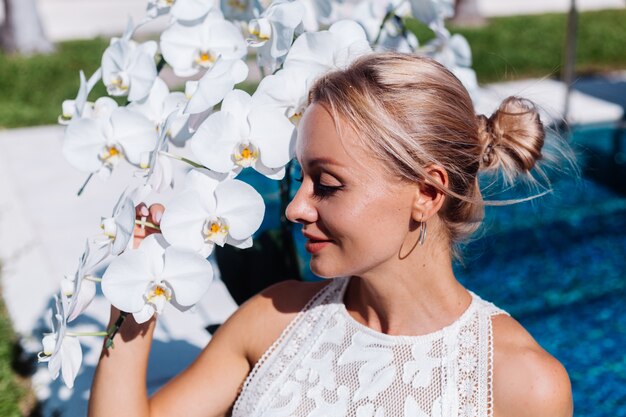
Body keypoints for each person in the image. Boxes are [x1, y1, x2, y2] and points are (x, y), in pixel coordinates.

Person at [88, 52, 573, 417]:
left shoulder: (521, 385)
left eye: (327, 184)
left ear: (426, 192)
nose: (296, 208)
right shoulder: (271, 320)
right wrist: (134, 297)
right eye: (302, 180)